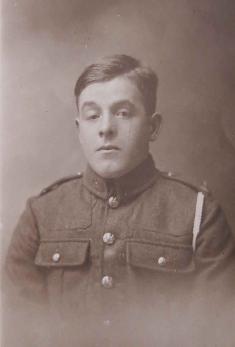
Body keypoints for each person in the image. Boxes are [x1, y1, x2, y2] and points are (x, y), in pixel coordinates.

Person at [4, 54, 235, 346]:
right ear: (80, 129)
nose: (105, 128)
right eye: (92, 115)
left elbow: (215, 333)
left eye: (123, 113)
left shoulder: (199, 214)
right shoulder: (41, 214)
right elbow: (18, 330)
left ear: (152, 128)